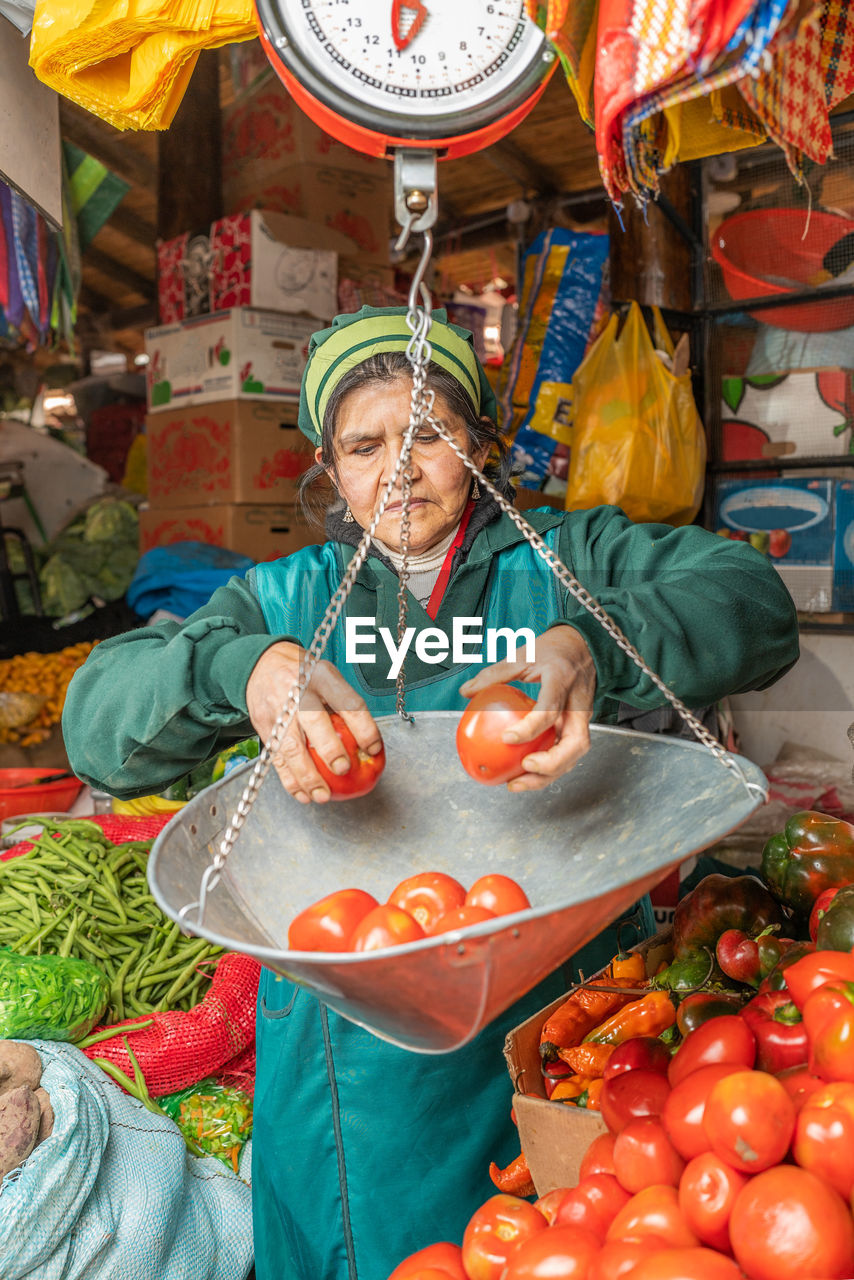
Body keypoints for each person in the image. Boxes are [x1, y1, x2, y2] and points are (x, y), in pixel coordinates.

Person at [64, 306, 799, 1279]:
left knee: (561, 1243)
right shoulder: (288, 600)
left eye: (428, 434)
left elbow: (752, 603)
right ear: (327, 463)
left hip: (557, 1026)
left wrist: (591, 642)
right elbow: (96, 723)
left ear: (481, 441)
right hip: (348, 1061)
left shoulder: (568, 559)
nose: (396, 467)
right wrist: (240, 670)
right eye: (362, 444)